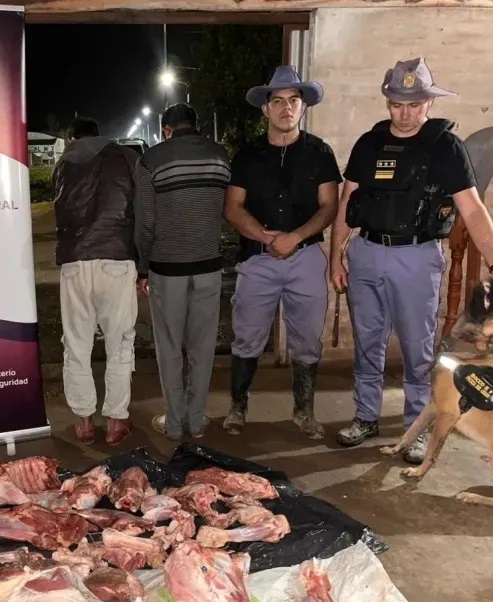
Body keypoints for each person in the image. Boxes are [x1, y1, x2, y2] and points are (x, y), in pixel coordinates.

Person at [329, 57, 493, 462]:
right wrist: (336, 256)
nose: (406, 114)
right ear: (387, 102)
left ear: (429, 102)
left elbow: (473, 209)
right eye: (397, 104)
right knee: (367, 343)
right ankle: (365, 416)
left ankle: (416, 427)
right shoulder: (368, 144)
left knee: (418, 351)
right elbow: (347, 201)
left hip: (416, 256)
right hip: (366, 253)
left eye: (414, 104)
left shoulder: (445, 147)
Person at [223, 65, 342, 439]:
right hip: (257, 259)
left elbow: (329, 206)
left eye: (293, 100)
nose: (286, 108)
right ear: (266, 109)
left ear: (303, 107)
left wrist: (295, 237)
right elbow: (232, 208)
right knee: (247, 336)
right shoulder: (247, 156)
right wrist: (264, 236)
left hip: (305, 258)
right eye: (277, 101)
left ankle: (304, 412)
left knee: (307, 339)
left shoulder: (320, 153)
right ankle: (238, 407)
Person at [133, 103, 231, 440]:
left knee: (170, 346)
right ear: (196, 124)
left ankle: (174, 424)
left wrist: (143, 267)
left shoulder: (151, 159)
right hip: (208, 265)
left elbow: (145, 223)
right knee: (203, 347)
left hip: (167, 268)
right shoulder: (220, 156)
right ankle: (198, 421)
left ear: (166, 130)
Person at [52, 117, 140, 445]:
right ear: (99, 135)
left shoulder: (63, 164)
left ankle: (84, 422)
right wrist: (142, 262)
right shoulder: (125, 157)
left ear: (72, 137)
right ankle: (116, 421)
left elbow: (60, 212)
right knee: (120, 342)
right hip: (116, 258)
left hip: (74, 262)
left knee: (76, 344)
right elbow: (140, 208)